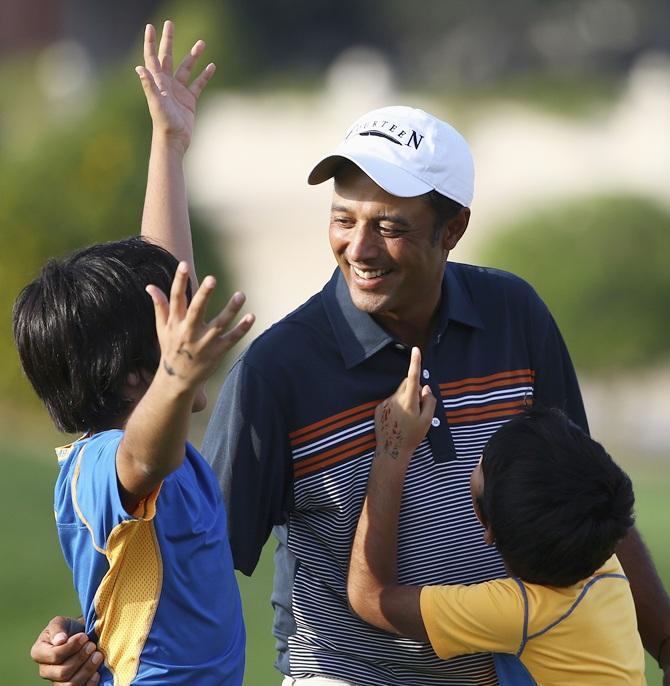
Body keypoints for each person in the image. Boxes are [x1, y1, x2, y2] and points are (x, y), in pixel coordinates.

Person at [31, 20, 670, 686]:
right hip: (345, 672)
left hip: (502, 668)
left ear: (454, 228)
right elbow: (178, 550)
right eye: (343, 218)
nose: (358, 248)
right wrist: (87, 637)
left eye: (389, 226)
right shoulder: (277, 371)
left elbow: (587, 508)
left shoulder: (517, 317)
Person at [13, 237, 253, 685]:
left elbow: (165, 275)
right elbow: (142, 460)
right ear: (134, 375)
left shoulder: (174, 455)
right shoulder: (97, 462)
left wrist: (168, 162)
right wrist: (177, 377)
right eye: (174, 334)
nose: (190, 332)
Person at [348, 347, 645, 684]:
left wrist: (393, 447)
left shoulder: (519, 611)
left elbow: (371, 598)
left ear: (487, 528)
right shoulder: (603, 559)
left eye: (484, 458)